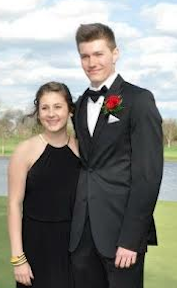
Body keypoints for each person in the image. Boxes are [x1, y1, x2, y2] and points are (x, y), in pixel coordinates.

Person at [69, 23, 164, 288]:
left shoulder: (138, 100)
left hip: (121, 236)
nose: (91, 62)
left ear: (115, 53)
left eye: (98, 54)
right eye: (85, 56)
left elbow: (148, 175)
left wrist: (131, 239)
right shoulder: (79, 105)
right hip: (82, 237)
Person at [7, 82, 80, 288]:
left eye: (58, 107)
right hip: (36, 248)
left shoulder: (83, 149)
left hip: (75, 249)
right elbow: (14, 205)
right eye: (45, 108)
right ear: (38, 112)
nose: (51, 114)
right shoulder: (24, 151)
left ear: (69, 110)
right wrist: (18, 259)